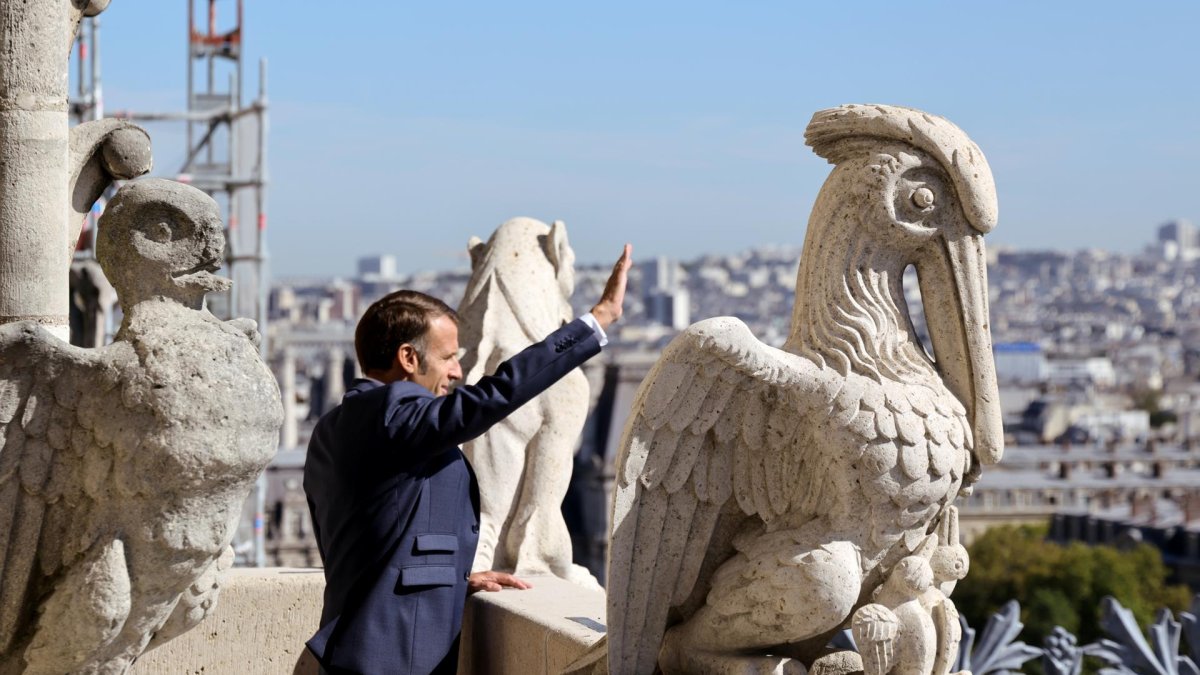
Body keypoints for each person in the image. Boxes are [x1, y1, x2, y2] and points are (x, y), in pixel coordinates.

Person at [303, 244, 632, 675]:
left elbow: (374, 538)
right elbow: (490, 398)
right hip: (391, 658)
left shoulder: (336, 426)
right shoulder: (394, 409)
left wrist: (449, 578)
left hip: (355, 647)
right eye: (448, 357)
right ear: (408, 358)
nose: (458, 372)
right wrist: (597, 321)